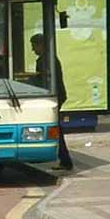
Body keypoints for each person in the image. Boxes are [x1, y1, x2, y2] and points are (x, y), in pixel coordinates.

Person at [30, 33, 73, 171]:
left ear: (40, 45)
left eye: (34, 46)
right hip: (58, 96)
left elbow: (44, 80)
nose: (33, 50)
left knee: (55, 129)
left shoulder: (44, 60)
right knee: (56, 129)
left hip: (54, 97)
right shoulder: (50, 58)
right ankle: (64, 160)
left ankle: (65, 161)